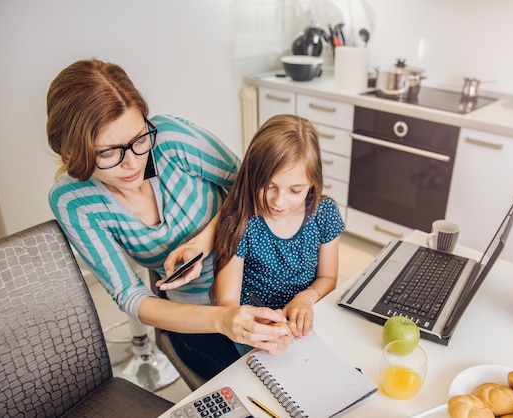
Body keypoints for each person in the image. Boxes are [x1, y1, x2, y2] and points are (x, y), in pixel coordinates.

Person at [46, 58, 292, 380]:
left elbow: (248, 186)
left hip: (265, 277)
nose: (133, 163)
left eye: (138, 140)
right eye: (108, 153)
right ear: (71, 153)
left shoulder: (170, 141)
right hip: (198, 318)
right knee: (268, 382)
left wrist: (202, 243)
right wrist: (222, 320)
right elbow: (132, 297)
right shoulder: (73, 201)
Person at [213, 114, 345, 354]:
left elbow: (328, 278)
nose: (279, 201)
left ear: (313, 184)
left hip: (306, 321)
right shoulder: (239, 222)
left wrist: (306, 298)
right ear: (252, 175)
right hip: (254, 331)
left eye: (295, 190)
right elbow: (227, 305)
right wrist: (260, 324)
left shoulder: (325, 213)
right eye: (269, 186)